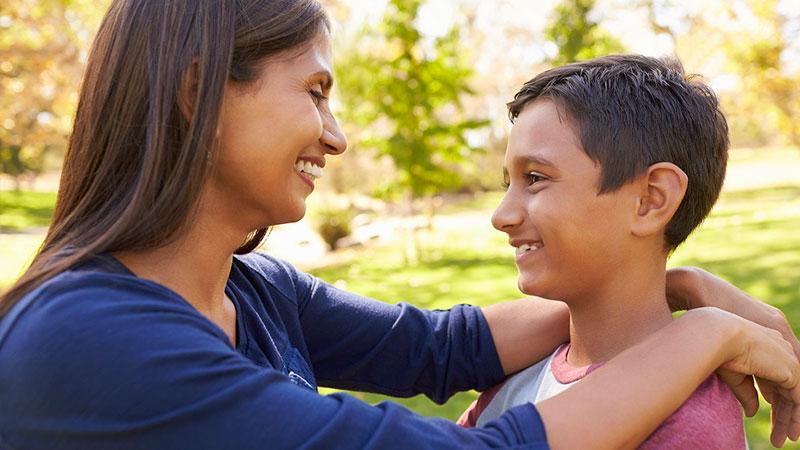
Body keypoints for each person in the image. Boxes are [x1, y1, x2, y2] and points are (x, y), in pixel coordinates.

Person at [0, 2, 797, 449]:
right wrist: (706, 336)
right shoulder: (93, 335)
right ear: (199, 94)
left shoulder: (254, 292)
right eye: (315, 91)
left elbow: (442, 345)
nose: (337, 134)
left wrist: (676, 286)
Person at [457, 55, 751, 448]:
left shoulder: (688, 428)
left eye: (535, 178)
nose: (501, 215)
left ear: (650, 200)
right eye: (507, 182)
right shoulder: (514, 373)